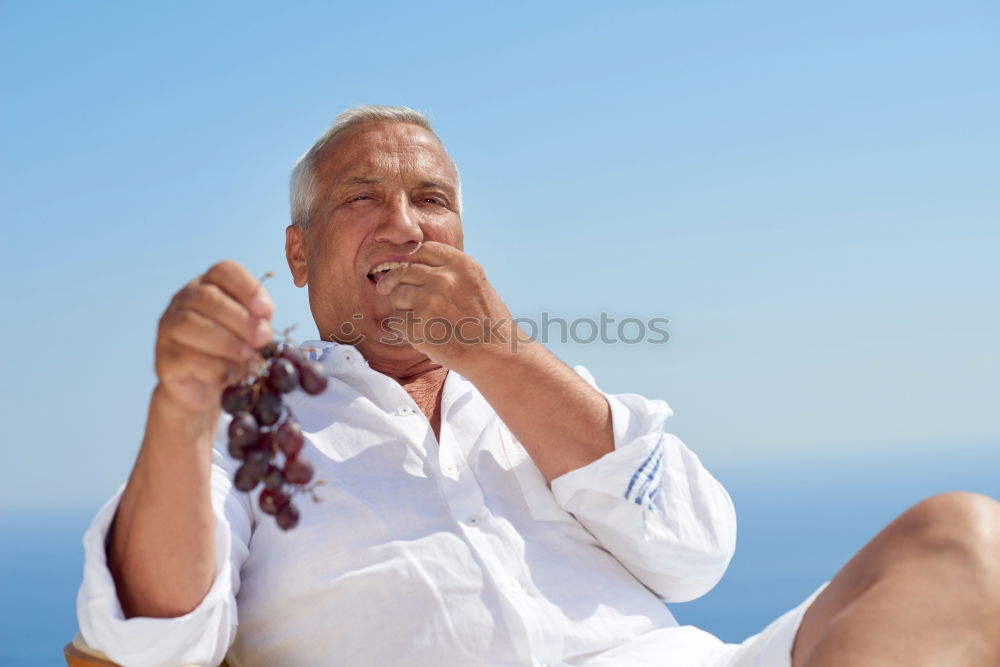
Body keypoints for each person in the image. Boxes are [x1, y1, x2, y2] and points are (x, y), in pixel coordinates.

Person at [77, 105, 1000, 667]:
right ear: (299, 251)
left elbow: (695, 553)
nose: (405, 225)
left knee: (962, 538)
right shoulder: (252, 424)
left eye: (432, 200)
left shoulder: (536, 383)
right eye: (364, 198)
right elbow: (151, 644)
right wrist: (182, 408)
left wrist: (498, 353)